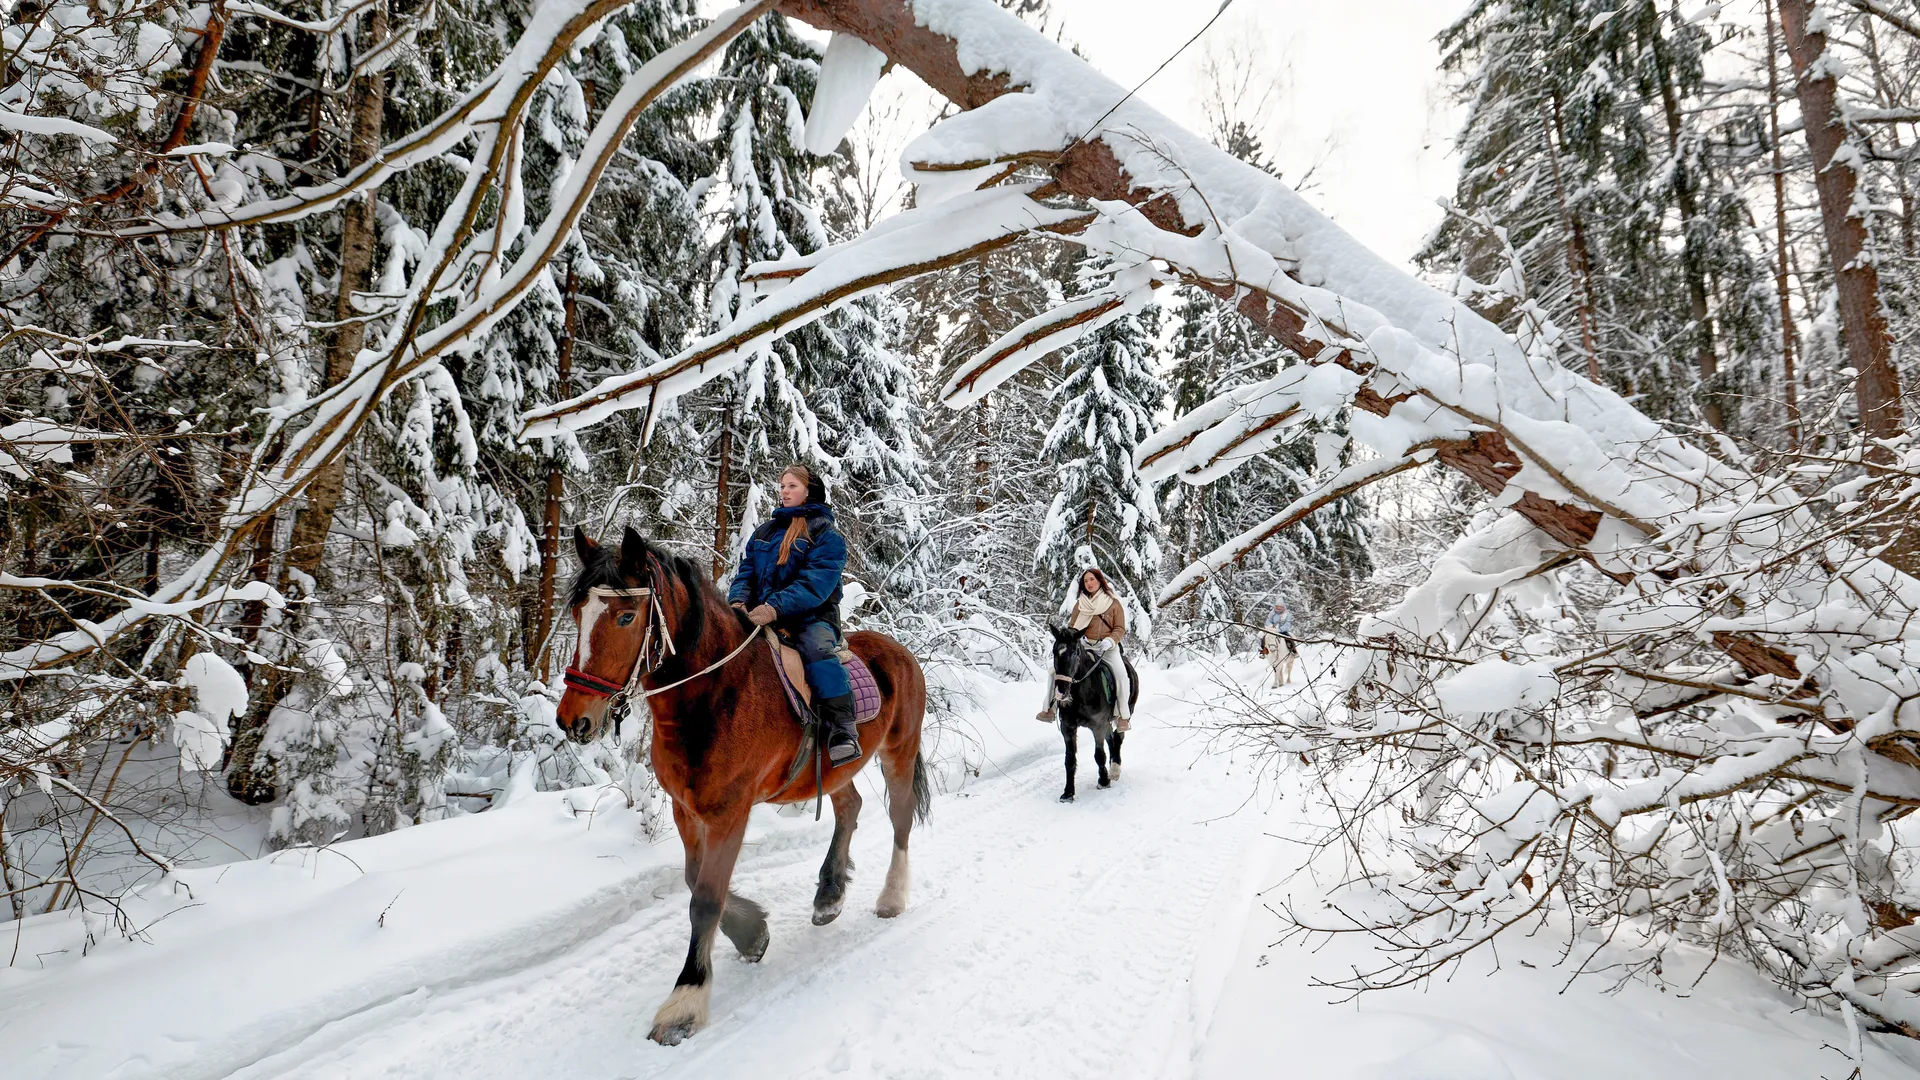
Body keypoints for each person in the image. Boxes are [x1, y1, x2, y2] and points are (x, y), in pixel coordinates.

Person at [728, 463, 862, 765]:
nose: (784, 491)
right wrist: (738, 602)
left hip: (811, 617)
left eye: (792, 486)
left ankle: (843, 730)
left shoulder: (827, 536)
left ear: (809, 491)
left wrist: (775, 607)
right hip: (759, 615)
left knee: (816, 651)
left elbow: (815, 584)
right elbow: (746, 573)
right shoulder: (764, 532)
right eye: (783, 485)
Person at [1037, 567, 1133, 731]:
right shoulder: (1080, 605)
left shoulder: (1113, 603)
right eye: (1086, 580)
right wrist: (1069, 639)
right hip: (1085, 646)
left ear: (1099, 581)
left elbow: (1120, 628)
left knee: (1121, 675)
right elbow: (1074, 627)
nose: (1089, 583)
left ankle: (1122, 716)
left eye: (1092, 579)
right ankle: (1050, 709)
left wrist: (1110, 641)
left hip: (1107, 648)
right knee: (1055, 671)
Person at [1260, 600, 1296, 687]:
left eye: (1280, 607)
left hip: (1282, 631)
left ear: (1283, 607)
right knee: (1262, 636)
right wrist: (1270, 626)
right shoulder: (1272, 613)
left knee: (1289, 638)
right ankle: (1263, 650)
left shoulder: (1287, 614)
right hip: (1271, 630)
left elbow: (1287, 624)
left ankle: (1293, 651)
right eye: (1277, 607)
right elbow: (1268, 621)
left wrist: (1279, 629)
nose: (1278, 608)